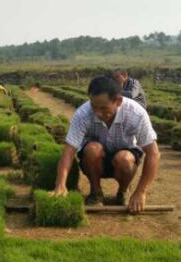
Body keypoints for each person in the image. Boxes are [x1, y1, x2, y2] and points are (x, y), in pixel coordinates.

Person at [52, 76, 160, 213]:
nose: (97, 113)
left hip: (124, 158)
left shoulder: (136, 113)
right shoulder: (83, 113)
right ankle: (96, 192)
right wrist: (60, 184)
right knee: (92, 149)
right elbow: (68, 151)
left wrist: (141, 192)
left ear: (118, 101)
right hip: (95, 159)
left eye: (103, 108)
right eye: (94, 106)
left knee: (124, 158)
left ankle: (123, 191)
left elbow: (153, 153)